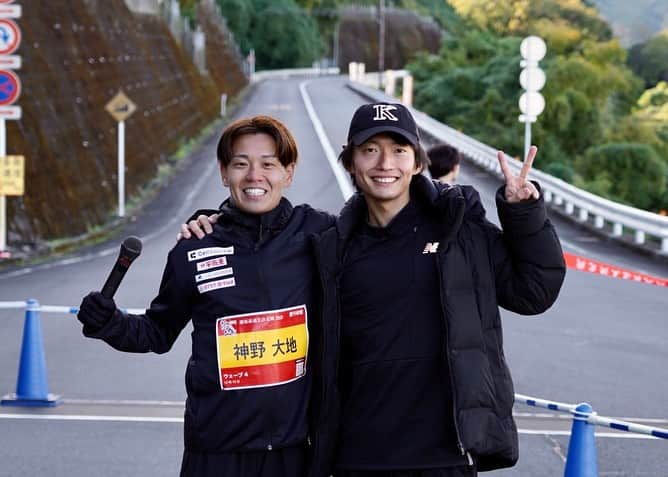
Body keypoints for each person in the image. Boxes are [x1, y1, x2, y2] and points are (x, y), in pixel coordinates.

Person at [181, 102, 566, 477]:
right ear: (350, 163)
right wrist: (214, 225)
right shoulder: (330, 243)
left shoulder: (457, 228)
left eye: (399, 151)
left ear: (417, 163)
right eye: (370, 151)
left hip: (444, 453)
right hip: (357, 455)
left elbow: (533, 292)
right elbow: (265, 247)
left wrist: (523, 213)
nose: (385, 164)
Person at [76, 115, 335, 477]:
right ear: (223, 172)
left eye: (269, 164)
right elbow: (157, 332)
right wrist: (108, 322)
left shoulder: (319, 234)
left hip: (294, 450)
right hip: (215, 451)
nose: (254, 176)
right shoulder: (194, 249)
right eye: (241, 164)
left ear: (288, 173)